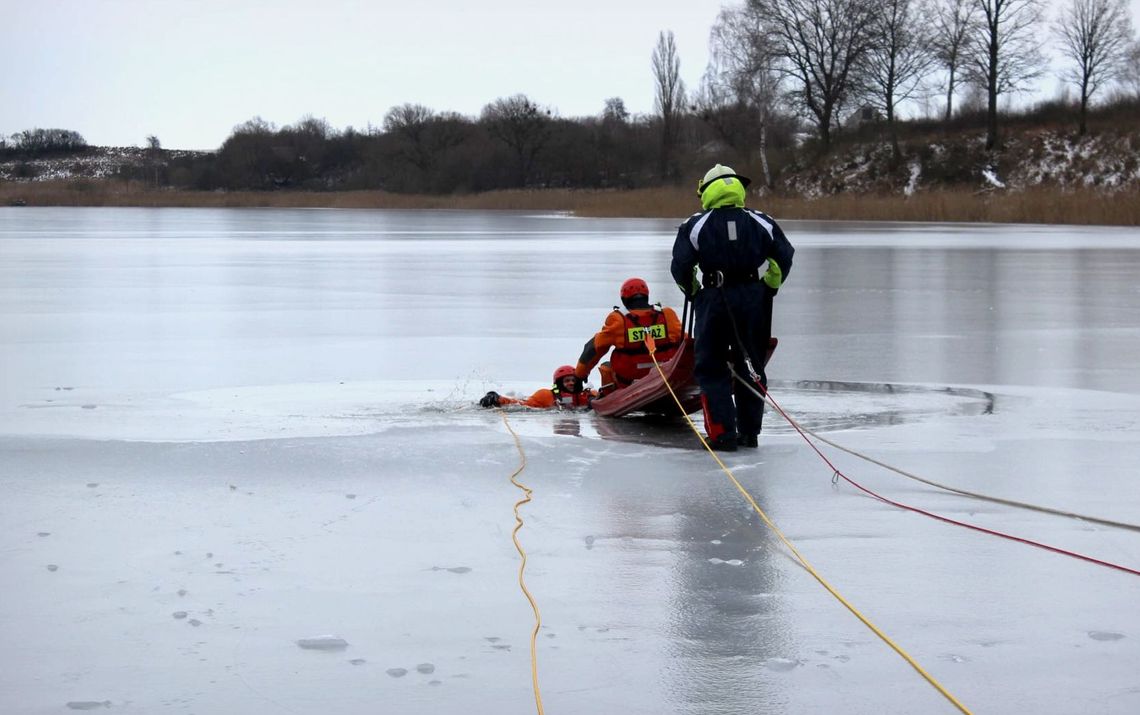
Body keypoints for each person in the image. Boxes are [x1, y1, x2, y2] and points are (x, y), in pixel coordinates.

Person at [670, 164, 794, 451]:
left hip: (713, 298)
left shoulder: (695, 224)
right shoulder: (761, 221)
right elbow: (783, 257)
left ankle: (722, 434)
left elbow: (681, 266)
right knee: (751, 364)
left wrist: (694, 293)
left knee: (712, 367)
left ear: (707, 191)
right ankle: (750, 433)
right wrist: (769, 286)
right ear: (738, 188)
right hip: (753, 298)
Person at [573, 278, 684, 395]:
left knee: (606, 367)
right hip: (664, 375)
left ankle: (608, 397)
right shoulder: (667, 315)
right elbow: (685, 340)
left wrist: (579, 375)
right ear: (646, 296)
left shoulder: (618, 320)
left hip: (628, 381)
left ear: (624, 299)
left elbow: (594, 348)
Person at [479, 365, 597, 409]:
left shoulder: (586, 395)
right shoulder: (546, 395)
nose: (571, 383)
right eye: (567, 381)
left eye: (573, 380)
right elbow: (520, 404)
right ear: (559, 383)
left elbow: (603, 398)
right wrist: (497, 398)